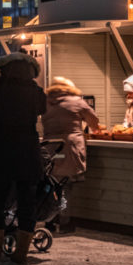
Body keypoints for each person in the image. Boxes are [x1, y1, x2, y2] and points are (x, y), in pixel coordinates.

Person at [0, 52, 46, 265]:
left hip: (4, 150)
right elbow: (42, 108)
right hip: (29, 151)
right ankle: (21, 252)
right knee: (27, 202)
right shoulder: (36, 91)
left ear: (5, 69)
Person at [41, 77, 99, 233]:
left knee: (51, 185)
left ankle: (49, 220)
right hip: (68, 148)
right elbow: (94, 122)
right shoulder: (76, 101)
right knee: (65, 186)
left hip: (50, 149)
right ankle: (65, 220)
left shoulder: (45, 102)